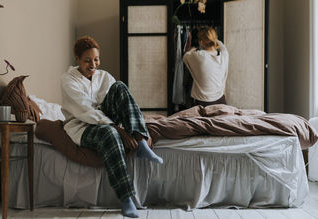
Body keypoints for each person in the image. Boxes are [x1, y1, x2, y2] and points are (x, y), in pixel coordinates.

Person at [61, 36, 163, 218]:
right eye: (87, 60)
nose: (93, 64)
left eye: (96, 59)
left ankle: (141, 141)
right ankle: (126, 199)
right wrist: (119, 130)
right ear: (77, 59)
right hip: (82, 126)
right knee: (109, 134)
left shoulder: (104, 76)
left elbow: (112, 103)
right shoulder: (69, 80)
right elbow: (86, 111)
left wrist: (125, 129)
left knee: (120, 86)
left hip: (107, 119)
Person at [183, 27, 229, 107]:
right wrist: (214, 39)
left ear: (200, 42)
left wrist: (192, 50)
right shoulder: (224, 55)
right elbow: (222, 46)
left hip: (202, 103)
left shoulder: (199, 56)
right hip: (221, 101)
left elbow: (185, 57)